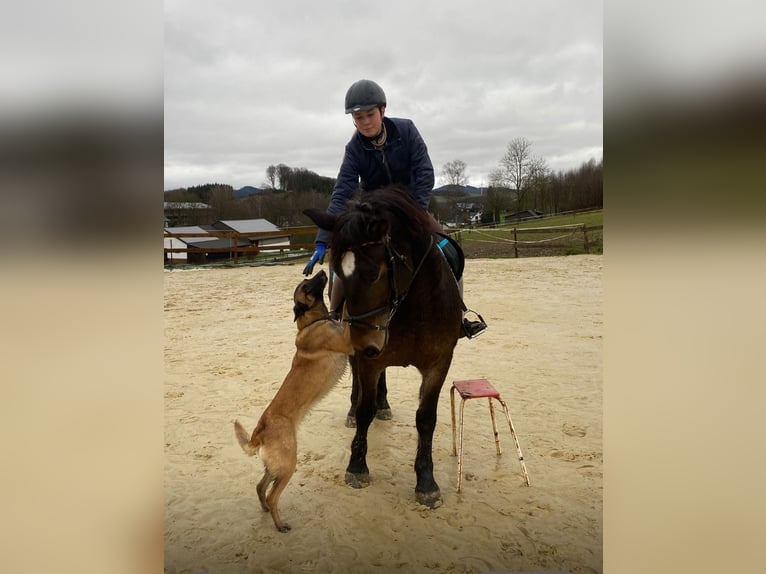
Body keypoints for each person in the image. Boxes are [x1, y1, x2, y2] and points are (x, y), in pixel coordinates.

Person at [302, 79, 487, 339]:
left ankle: (458, 316)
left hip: (411, 206)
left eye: (370, 115)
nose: (365, 122)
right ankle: (336, 316)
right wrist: (323, 239)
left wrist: (416, 210)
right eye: (358, 117)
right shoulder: (354, 149)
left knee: (447, 250)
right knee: (344, 258)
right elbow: (342, 191)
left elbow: (425, 173)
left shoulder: (407, 131)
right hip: (373, 213)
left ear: (382, 110)